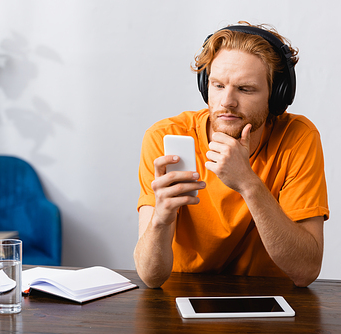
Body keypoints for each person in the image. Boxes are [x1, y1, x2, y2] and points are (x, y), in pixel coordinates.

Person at [134, 21, 329, 288]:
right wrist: (161, 219)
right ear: (205, 86)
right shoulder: (163, 136)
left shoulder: (297, 137)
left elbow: (305, 271)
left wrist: (248, 183)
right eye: (217, 86)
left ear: (276, 96)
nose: (227, 102)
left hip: (267, 304)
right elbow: (150, 277)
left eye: (245, 89)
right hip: (182, 296)